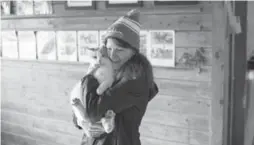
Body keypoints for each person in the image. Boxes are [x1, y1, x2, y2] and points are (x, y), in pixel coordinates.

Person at [71, 9, 159, 145]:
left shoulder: (135, 78)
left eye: (119, 50)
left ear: (133, 52)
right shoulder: (108, 71)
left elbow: (94, 111)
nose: (112, 55)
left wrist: (89, 77)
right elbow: (80, 104)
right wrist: (82, 123)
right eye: (109, 48)